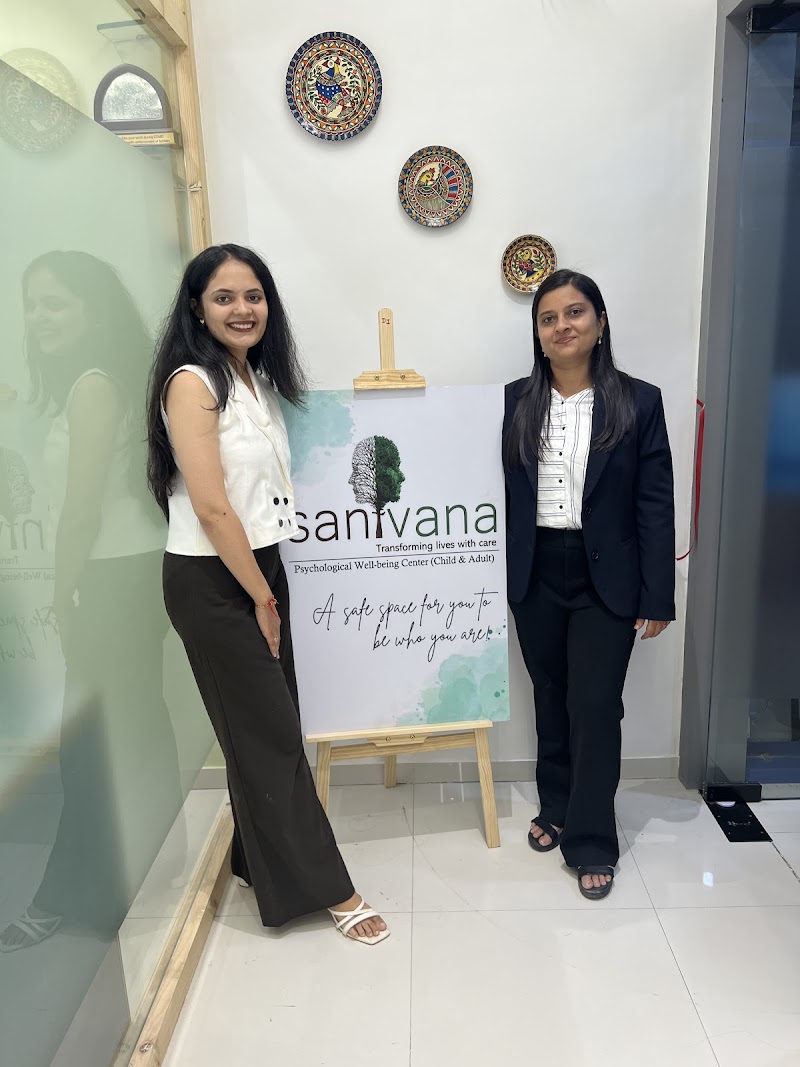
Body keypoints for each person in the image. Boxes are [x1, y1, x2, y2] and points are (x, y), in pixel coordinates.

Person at [145, 243, 389, 944]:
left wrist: (265, 584)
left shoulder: (251, 378)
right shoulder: (192, 382)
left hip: (259, 567)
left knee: (265, 729)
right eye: (224, 297)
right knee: (271, 738)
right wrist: (260, 595)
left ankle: (258, 862)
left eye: (253, 296)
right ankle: (334, 891)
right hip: (215, 579)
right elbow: (211, 506)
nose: (242, 309)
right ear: (197, 308)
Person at [0, 251, 177, 952]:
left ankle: (74, 897)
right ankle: (149, 871)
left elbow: (79, 512)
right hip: (131, 574)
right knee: (133, 728)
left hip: (111, 579)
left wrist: (62, 592)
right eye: (31, 304)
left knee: (90, 750)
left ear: (90, 309)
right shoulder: (103, 379)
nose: (38, 317)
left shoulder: (94, 387)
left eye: (55, 303)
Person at [503, 269, 675, 900]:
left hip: (607, 576)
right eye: (548, 318)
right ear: (537, 333)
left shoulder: (639, 401)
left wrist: (658, 594)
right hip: (535, 568)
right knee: (550, 695)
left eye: (575, 312)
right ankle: (556, 806)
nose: (562, 326)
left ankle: (593, 838)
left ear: (600, 323)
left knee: (596, 706)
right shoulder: (514, 401)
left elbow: (654, 502)